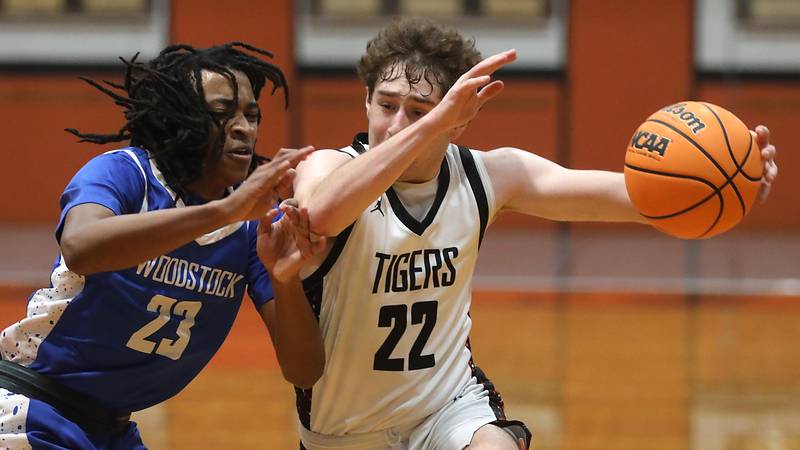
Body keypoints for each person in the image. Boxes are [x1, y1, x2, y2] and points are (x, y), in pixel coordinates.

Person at [292, 18, 779, 450]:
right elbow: (320, 215)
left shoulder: (487, 176)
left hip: (445, 408)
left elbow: (634, 199)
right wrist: (433, 119)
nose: (398, 124)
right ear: (366, 101)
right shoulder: (326, 167)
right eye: (386, 105)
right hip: (345, 428)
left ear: (459, 123)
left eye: (420, 111)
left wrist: (728, 184)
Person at [0, 42, 325, 449]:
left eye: (252, 114)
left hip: (113, 432)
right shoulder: (126, 172)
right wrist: (223, 211)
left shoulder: (252, 229)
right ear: (178, 117)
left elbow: (304, 371)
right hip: (31, 406)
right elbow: (80, 247)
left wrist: (286, 280)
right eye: (222, 113)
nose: (244, 127)